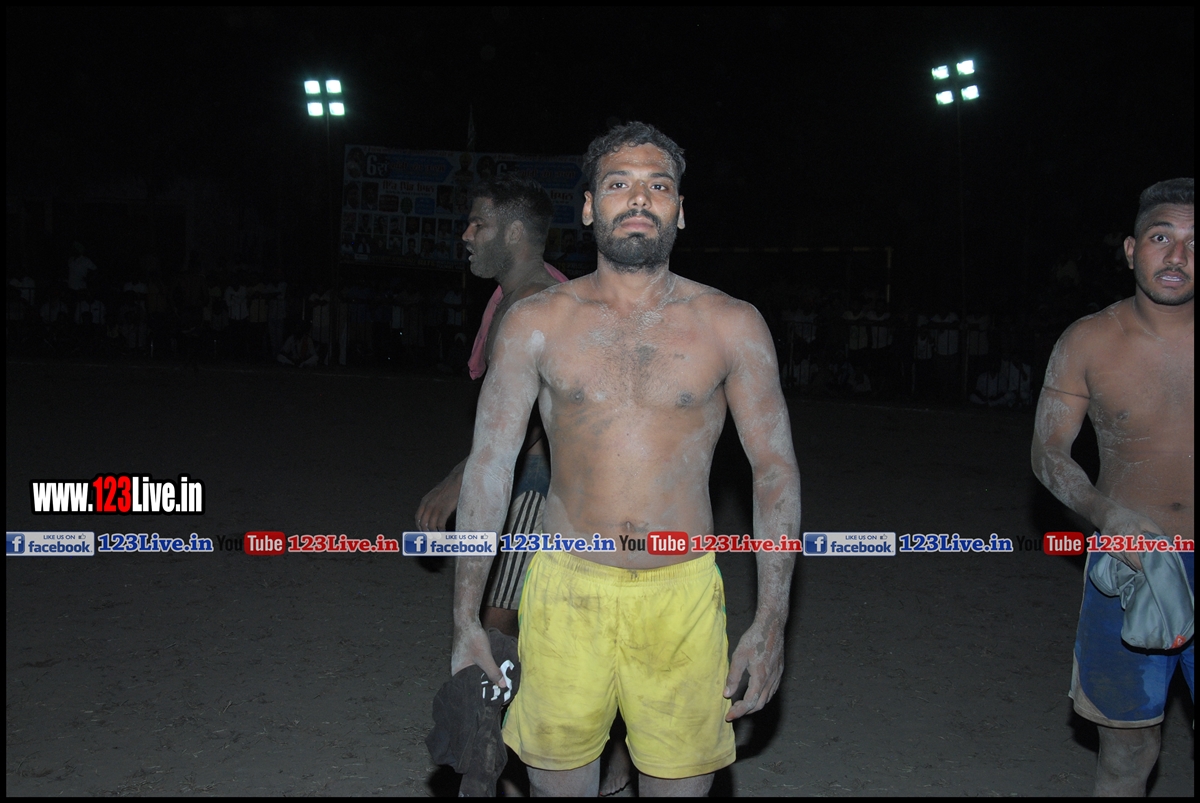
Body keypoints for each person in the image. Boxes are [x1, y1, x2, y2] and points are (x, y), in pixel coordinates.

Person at [451, 122, 801, 796]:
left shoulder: (732, 324)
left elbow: (775, 472)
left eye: (657, 186)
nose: (639, 198)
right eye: (618, 184)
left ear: (680, 210)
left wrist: (771, 621)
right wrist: (467, 621)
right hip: (564, 591)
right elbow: (489, 467)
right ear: (589, 207)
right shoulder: (536, 322)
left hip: (682, 598)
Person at [1031, 178, 1193, 796]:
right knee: (1127, 748)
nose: (1178, 256)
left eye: (1195, 242)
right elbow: (1049, 452)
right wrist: (1105, 513)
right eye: (1161, 237)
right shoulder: (1089, 340)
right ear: (1131, 250)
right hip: (1129, 567)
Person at [416, 175, 567, 638]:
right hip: (526, 469)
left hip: (540, 477)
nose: (466, 235)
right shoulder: (509, 298)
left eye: (478, 224)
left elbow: (536, 413)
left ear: (515, 233)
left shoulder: (538, 305)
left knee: (497, 624)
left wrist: (460, 480)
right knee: (517, 620)